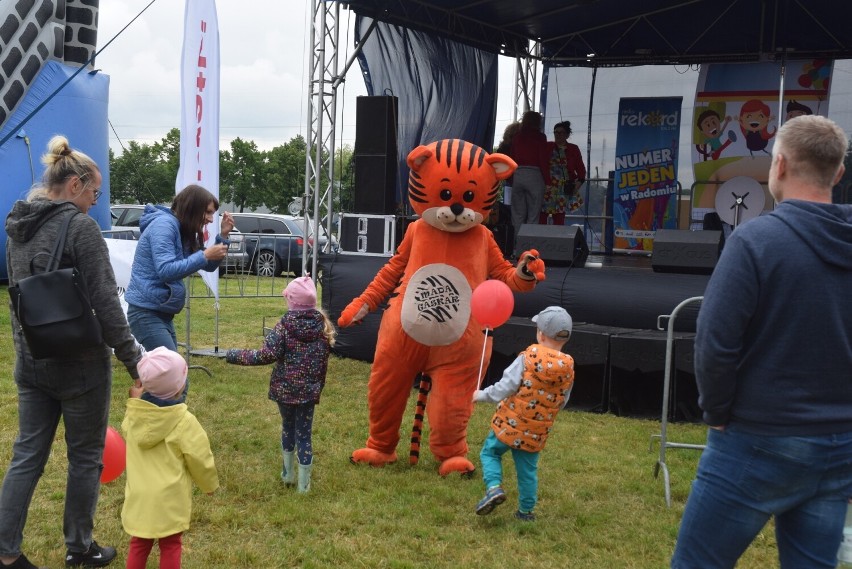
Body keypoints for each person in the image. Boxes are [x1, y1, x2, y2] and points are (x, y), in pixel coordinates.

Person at [671, 115, 852, 569]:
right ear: (839, 172)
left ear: (781, 165)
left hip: (756, 438)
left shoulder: (754, 240)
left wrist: (715, 412)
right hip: (839, 444)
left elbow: (715, 342)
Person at [2, 135, 144, 569]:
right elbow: (105, 299)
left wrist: (24, 350)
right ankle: (79, 547)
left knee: (27, 454)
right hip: (81, 364)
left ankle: (5, 552)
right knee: (85, 458)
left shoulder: (16, 226)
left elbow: (17, 297)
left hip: (32, 359)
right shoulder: (80, 227)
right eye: (95, 193)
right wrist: (132, 358)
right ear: (76, 184)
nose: (95, 203)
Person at [225, 276, 336, 493]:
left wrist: (234, 354)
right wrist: (316, 386)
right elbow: (322, 364)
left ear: (291, 302)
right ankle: (304, 486)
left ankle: (288, 474)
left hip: (285, 391)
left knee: (288, 427)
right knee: (304, 434)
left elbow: (265, 355)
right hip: (308, 392)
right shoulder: (323, 328)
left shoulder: (284, 327)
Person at [472, 306, 575, 522]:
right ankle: (526, 512)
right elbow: (562, 401)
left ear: (541, 334)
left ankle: (494, 488)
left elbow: (505, 386)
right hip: (536, 431)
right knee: (527, 472)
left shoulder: (528, 357)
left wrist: (481, 395)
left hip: (508, 424)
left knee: (490, 453)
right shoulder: (568, 367)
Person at [122, 347, 219, 569]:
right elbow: (199, 456)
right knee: (171, 544)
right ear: (179, 387)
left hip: (139, 498)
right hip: (170, 501)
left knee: (139, 543)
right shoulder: (184, 421)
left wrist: (135, 403)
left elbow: (128, 429)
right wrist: (209, 484)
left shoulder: (135, 415)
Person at [124, 185, 234, 351]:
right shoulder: (164, 226)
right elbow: (166, 270)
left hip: (161, 313)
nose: (211, 219)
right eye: (208, 212)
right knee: (172, 373)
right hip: (146, 313)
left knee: (168, 372)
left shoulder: (182, 228)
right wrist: (204, 255)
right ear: (192, 208)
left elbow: (209, 266)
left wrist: (223, 237)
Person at [509, 111, 551, 233]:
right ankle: (528, 245)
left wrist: (512, 178)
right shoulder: (540, 137)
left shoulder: (517, 137)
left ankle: (516, 245)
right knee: (533, 214)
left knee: (517, 214)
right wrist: (548, 181)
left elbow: (511, 158)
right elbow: (543, 160)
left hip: (518, 174)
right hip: (535, 175)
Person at [541, 121, 586, 225]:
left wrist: (578, 184)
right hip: (547, 186)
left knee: (559, 216)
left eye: (560, 132)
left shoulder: (573, 149)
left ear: (567, 135)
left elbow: (581, 169)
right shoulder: (547, 146)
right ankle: (540, 239)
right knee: (542, 214)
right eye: (555, 132)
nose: (557, 134)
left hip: (563, 187)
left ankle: (557, 239)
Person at [494, 121, 521, 205]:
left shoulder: (503, 147)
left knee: (508, 204)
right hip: (519, 178)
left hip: (508, 179)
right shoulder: (519, 147)